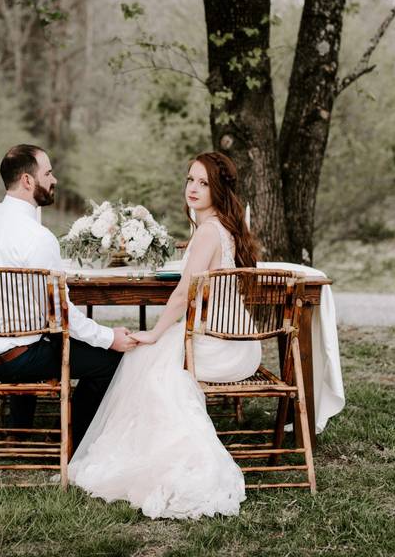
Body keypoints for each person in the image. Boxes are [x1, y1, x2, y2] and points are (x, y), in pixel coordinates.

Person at [68, 151, 262, 519]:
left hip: (221, 346)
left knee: (145, 357)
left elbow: (181, 295)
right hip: (240, 344)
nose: (193, 188)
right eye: (190, 179)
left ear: (219, 189)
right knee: (151, 354)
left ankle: (155, 456)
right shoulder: (224, 225)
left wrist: (155, 332)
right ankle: (142, 447)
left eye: (204, 183)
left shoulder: (208, 230)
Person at [0, 144, 138, 450]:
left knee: (40, 336)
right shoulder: (37, 238)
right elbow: (63, 315)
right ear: (29, 181)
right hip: (12, 357)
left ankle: (20, 432)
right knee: (111, 360)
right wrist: (110, 338)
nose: (54, 179)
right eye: (48, 173)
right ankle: (72, 441)